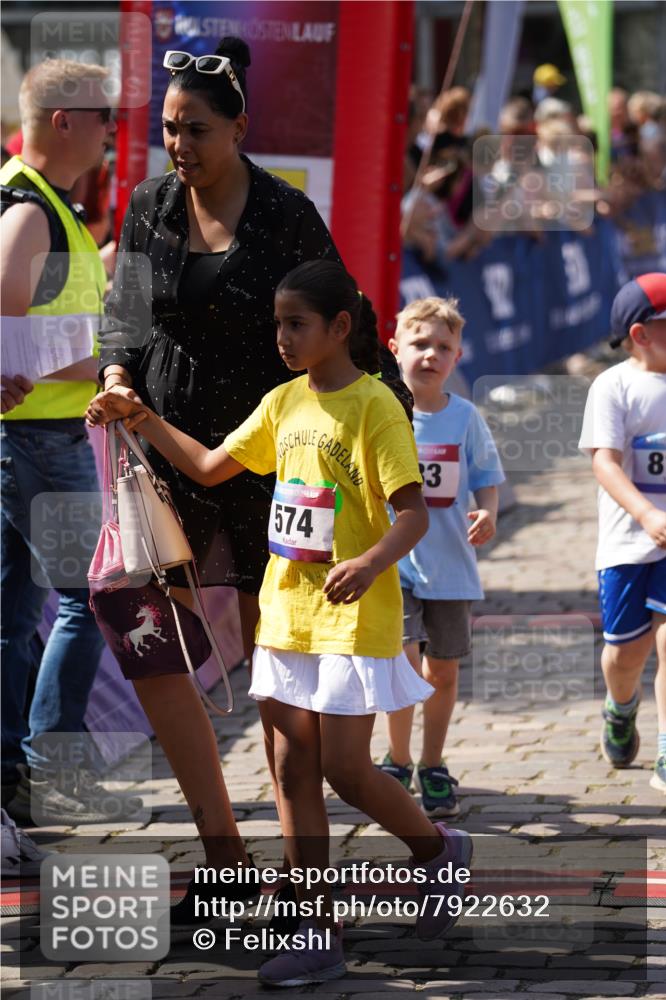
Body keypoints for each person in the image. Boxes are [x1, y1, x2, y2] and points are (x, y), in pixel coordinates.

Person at [86, 260, 474, 986]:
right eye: (277, 324)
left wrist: (368, 565)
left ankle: (435, 849)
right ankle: (315, 930)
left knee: (345, 770)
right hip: (286, 612)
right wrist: (139, 416)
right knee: (293, 768)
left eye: (297, 324)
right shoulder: (281, 401)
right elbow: (206, 467)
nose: (283, 338)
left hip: (353, 617)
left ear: (339, 328)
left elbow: (413, 514)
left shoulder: (374, 407)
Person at [97, 35, 403, 922]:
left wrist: (386, 447)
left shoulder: (282, 215)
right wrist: (118, 380)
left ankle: (303, 888)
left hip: (271, 467)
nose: (178, 147)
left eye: (194, 129)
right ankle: (223, 856)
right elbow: (123, 317)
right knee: (144, 632)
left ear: (238, 128)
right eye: (167, 130)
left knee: (281, 685)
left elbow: (350, 322)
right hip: (165, 459)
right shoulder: (151, 204)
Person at [0, 59, 141, 825]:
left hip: (33, 437)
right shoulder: (28, 208)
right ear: (64, 121)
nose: (112, 132)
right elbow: (6, 314)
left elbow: (36, 312)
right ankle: (50, 763)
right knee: (95, 597)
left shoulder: (46, 202)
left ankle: (12, 780)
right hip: (38, 438)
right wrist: (105, 368)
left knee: (14, 615)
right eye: (103, 117)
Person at [378, 297, 504, 817]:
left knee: (442, 672)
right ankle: (397, 758)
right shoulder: (382, 411)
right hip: (393, 564)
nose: (431, 355)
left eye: (443, 347)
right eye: (420, 344)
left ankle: (432, 765)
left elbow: (486, 478)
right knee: (404, 661)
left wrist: (488, 513)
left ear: (457, 357)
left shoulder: (465, 418)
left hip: (451, 566)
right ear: (395, 348)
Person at [578, 273, 666, 793]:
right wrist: (647, 515)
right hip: (628, 542)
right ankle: (621, 705)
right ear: (642, 333)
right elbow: (606, 463)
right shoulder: (613, 386)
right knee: (625, 654)